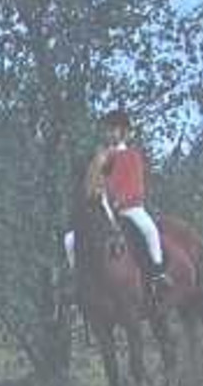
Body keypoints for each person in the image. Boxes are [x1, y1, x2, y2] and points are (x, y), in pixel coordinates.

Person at [69, 109, 171, 299]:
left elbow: (134, 185)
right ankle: (78, 280)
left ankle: (157, 273)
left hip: (130, 208)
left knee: (149, 230)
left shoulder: (132, 156)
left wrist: (121, 200)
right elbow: (93, 183)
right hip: (105, 208)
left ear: (123, 132)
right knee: (70, 239)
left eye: (113, 129)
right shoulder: (100, 157)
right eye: (107, 130)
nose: (109, 133)